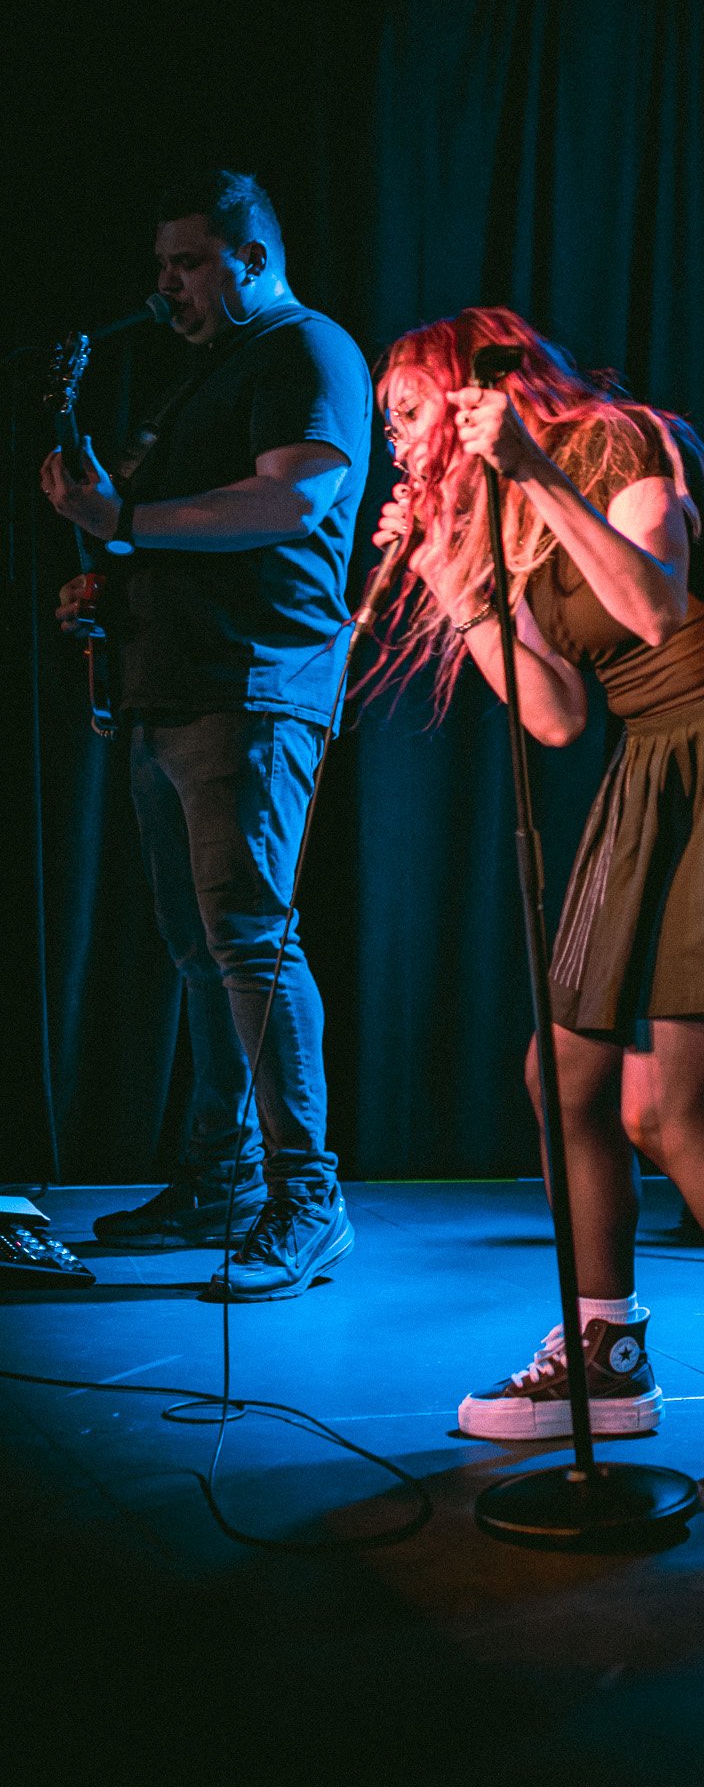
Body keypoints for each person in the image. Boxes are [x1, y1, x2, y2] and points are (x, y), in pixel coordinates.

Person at [372, 308, 704, 1487]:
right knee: (562, 1074)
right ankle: (604, 1348)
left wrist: (531, 470)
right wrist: (450, 573)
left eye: (404, 410)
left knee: (668, 1108)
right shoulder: (504, 511)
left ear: (471, 387)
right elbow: (557, 715)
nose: (394, 440)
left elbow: (656, 607)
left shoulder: (615, 441)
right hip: (645, 768)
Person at [41, 169, 372, 1301]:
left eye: (188, 263)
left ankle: (307, 1199)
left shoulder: (305, 347)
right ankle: (223, 1178)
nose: (167, 285)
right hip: (171, 687)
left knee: (249, 940)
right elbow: (186, 536)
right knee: (203, 949)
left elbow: (293, 501)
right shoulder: (208, 370)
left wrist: (125, 519)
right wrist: (111, 579)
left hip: (251, 685)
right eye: (163, 264)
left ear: (251, 257)